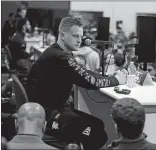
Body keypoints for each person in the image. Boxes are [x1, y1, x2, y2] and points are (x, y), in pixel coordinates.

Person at [26, 16, 126, 149]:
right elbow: (89, 80)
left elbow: (83, 72)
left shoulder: (58, 51)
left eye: (81, 36)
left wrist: (108, 77)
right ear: (62, 35)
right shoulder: (60, 56)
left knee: (99, 125)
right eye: (75, 36)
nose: (80, 40)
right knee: (97, 131)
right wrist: (116, 80)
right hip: (46, 115)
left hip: (47, 109)